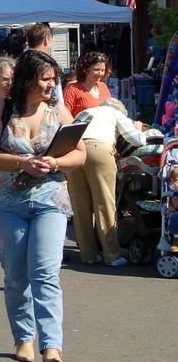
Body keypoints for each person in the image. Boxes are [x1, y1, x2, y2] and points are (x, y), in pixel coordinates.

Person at [0, 49, 86, 362]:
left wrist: (55, 161)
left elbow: (80, 154)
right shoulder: (1, 108)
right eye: (45, 79)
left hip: (50, 200)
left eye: (54, 80)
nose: (51, 86)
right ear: (28, 79)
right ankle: (23, 337)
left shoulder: (58, 110)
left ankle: (51, 344)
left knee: (46, 271)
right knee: (16, 275)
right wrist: (21, 162)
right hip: (8, 203)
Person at [69, 98, 146, 266]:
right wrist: (138, 129)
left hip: (73, 151)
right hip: (99, 151)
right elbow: (137, 140)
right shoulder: (116, 114)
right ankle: (112, 255)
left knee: (80, 206)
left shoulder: (85, 112)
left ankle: (87, 254)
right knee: (104, 203)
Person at [63, 52, 111, 117]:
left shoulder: (103, 86)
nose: (100, 73)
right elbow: (64, 116)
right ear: (86, 70)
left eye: (102, 70)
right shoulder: (72, 89)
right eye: (96, 70)